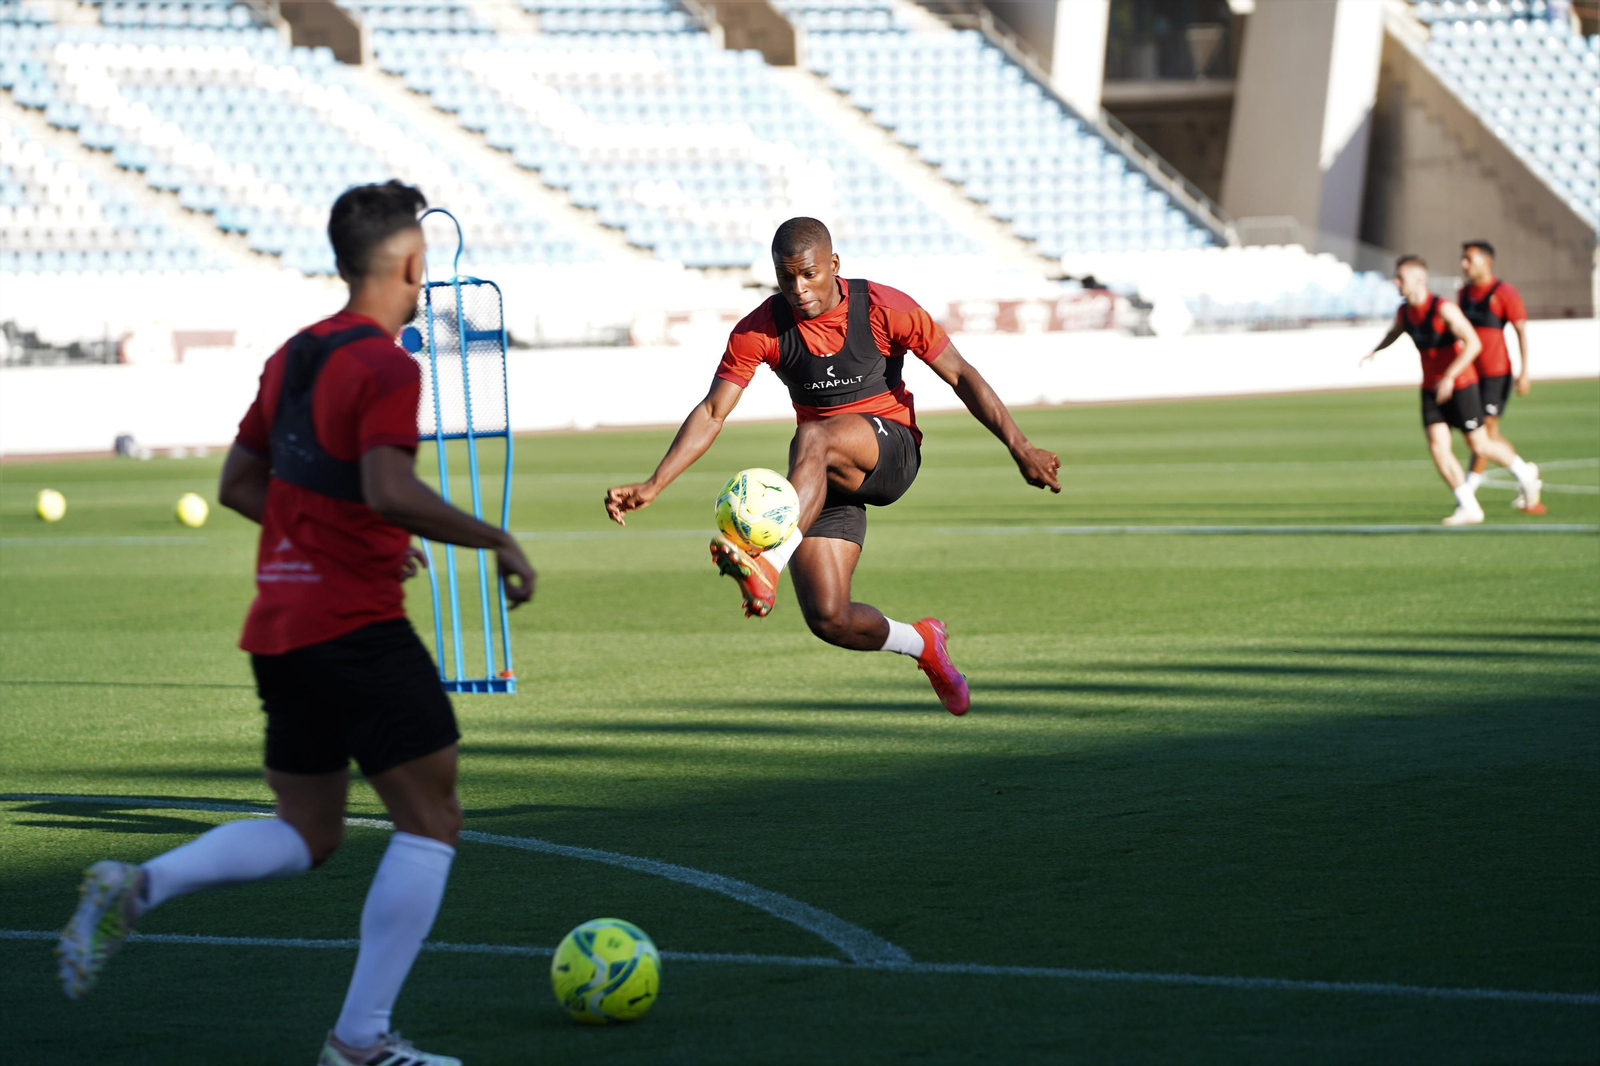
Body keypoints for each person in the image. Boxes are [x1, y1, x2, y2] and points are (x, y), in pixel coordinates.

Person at [56, 181, 536, 1066]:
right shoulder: (390, 365)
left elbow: (241, 484)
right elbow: (389, 487)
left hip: (278, 628)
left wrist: (349, 535)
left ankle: (141, 884)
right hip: (354, 629)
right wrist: (494, 537)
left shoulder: (294, 354)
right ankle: (359, 1041)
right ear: (411, 263)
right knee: (432, 819)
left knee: (308, 832)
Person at [604, 217, 1061, 715]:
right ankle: (924, 644)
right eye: (786, 278)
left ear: (834, 266)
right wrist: (655, 483)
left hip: (891, 453)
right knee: (829, 618)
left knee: (813, 434)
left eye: (809, 275)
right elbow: (714, 411)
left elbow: (961, 374)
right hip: (821, 476)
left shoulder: (887, 307)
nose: (798, 290)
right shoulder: (760, 329)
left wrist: (1021, 446)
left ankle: (767, 560)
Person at [1362, 254, 1542, 525]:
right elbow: (1396, 331)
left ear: (1419, 279)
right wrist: (1376, 350)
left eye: (1401, 277)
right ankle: (1469, 506)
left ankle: (1525, 474)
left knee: (1480, 445)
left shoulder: (1443, 309)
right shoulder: (1405, 312)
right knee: (1438, 447)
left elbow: (1473, 343)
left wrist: (1450, 375)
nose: (1396, 282)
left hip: (1460, 385)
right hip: (1430, 388)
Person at [1457, 240, 1541, 512]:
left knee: (1483, 435)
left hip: (1496, 374)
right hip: (1471, 374)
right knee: (1484, 436)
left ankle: (1467, 495)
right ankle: (1527, 473)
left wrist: (1524, 371)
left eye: (1469, 259)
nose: (1464, 265)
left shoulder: (1504, 292)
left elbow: (1521, 333)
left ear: (1486, 261)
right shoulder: (1464, 294)